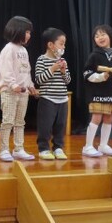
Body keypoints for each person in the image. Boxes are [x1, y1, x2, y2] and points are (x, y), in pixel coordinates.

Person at [0, 16, 39, 162]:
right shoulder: (8, 49)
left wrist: (30, 85)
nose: (29, 35)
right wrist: (13, 85)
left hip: (23, 93)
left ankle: (18, 148)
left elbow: (26, 70)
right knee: (8, 121)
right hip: (10, 92)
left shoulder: (24, 51)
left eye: (29, 32)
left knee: (20, 122)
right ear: (17, 30)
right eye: (27, 32)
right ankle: (3, 150)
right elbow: (6, 70)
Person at [82, 24, 112, 157]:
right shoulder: (94, 55)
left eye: (103, 34)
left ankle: (103, 145)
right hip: (97, 92)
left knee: (109, 118)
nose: (100, 38)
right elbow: (86, 73)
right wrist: (101, 77)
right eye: (96, 36)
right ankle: (88, 146)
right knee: (96, 117)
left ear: (110, 36)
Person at [34, 28, 71, 160]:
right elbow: (39, 80)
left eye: (64, 44)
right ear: (50, 45)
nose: (63, 47)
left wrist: (63, 71)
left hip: (62, 99)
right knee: (45, 126)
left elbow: (68, 81)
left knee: (60, 126)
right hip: (47, 99)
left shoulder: (62, 60)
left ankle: (58, 148)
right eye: (61, 43)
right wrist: (53, 68)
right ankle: (43, 149)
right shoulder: (42, 60)